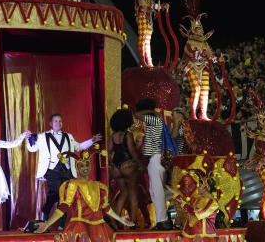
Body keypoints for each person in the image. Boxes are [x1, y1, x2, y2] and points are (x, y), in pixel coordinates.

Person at [34, 150, 132, 242]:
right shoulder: (72, 184)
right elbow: (63, 207)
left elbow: (105, 208)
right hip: (79, 227)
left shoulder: (100, 186)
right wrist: (48, 223)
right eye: (81, 166)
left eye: (87, 165)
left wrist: (120, 220)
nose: (85, 168)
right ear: (77, 168)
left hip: (98, 228)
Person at [27, 113, 102, 221]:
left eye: (60, 121)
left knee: (66, 195)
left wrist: (92, 140)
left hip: (67, 170)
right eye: (56, 121)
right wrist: (29, 139)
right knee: (56, 191)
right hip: (51, 169)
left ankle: (61, 222)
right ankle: (46, 209)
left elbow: (79, 147)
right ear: (50, 123)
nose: (58, 123)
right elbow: (32, 148)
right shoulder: (43, 136)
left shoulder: (68, 136)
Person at [135, 98, 176, 230]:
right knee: (154, 191)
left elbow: (137, 115)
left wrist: (146, 111)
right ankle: (161, 220)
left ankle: (163, 221)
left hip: (156, 158)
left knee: (156, 191)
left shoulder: (154, 120)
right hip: (156, 159)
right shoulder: (157, 121)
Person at [108, 108, 142, 229]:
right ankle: (133, 222)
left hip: (116, 168)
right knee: (133, 194)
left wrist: (111, 164)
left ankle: (114, 220)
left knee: (123, 192)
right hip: (128, 165)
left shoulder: (113, 136)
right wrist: (140, 164)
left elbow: (109, 152)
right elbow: (132, 151)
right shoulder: (127, 135)